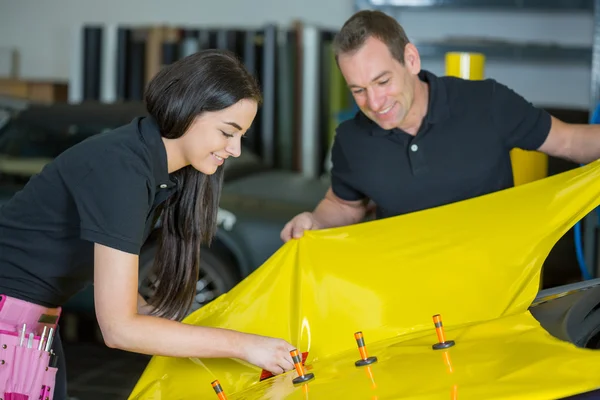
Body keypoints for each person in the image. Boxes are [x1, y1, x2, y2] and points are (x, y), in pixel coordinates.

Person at [0, 49, 296, 399]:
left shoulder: (154, 168)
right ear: (188, 111)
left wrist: (187, 326)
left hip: (34, 321)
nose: (234, 150)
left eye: (240, 137)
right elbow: (119, 329)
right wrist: (244, 346)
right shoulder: (124, 169)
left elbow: (117, 290)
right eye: (227, 132)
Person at [281, 10, 600, 242]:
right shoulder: (352, 140)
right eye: (359, 90)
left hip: (496, 290)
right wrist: (314, 220)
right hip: (406, 301)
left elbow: (570, 141)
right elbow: (343, 205)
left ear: (411, 60)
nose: (375, 103)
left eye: (383, 81)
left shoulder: (486, 102)